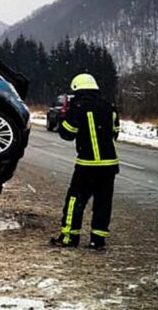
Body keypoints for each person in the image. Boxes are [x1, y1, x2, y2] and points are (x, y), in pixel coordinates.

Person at [51, 73, 120, 250]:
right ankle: (98, 240)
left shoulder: (79, 107)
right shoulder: (109, 107)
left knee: (75, 200)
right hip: (109, 165)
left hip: (87, 165)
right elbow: (115, 131)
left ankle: (69, 237)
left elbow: (68, 133)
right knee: (103, 203)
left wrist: (62, 118)